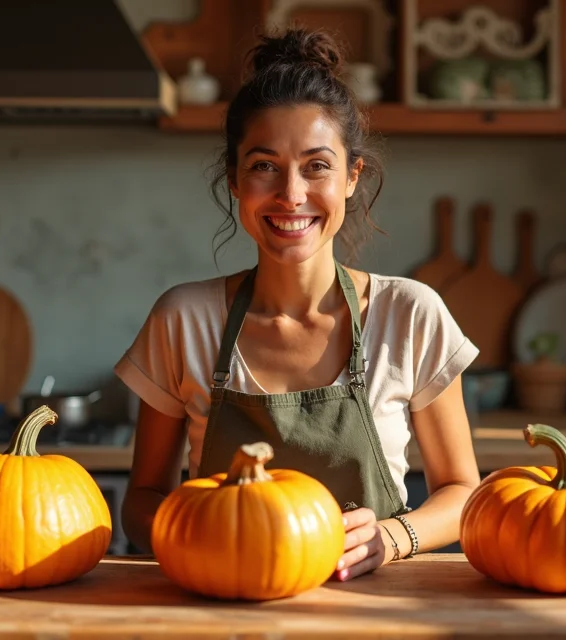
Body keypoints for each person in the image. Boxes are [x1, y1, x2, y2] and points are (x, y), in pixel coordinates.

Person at [114, 26, 481, 582]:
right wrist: (199, 532)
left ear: (352, 177)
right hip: (219, 609)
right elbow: (141, 498)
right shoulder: (182, 320)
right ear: (235, 179)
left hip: (377, 617)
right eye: (264, 166)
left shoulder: (409, 314)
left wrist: (392, 537)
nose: (291, 194)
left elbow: (462, 491)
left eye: (317, 165)